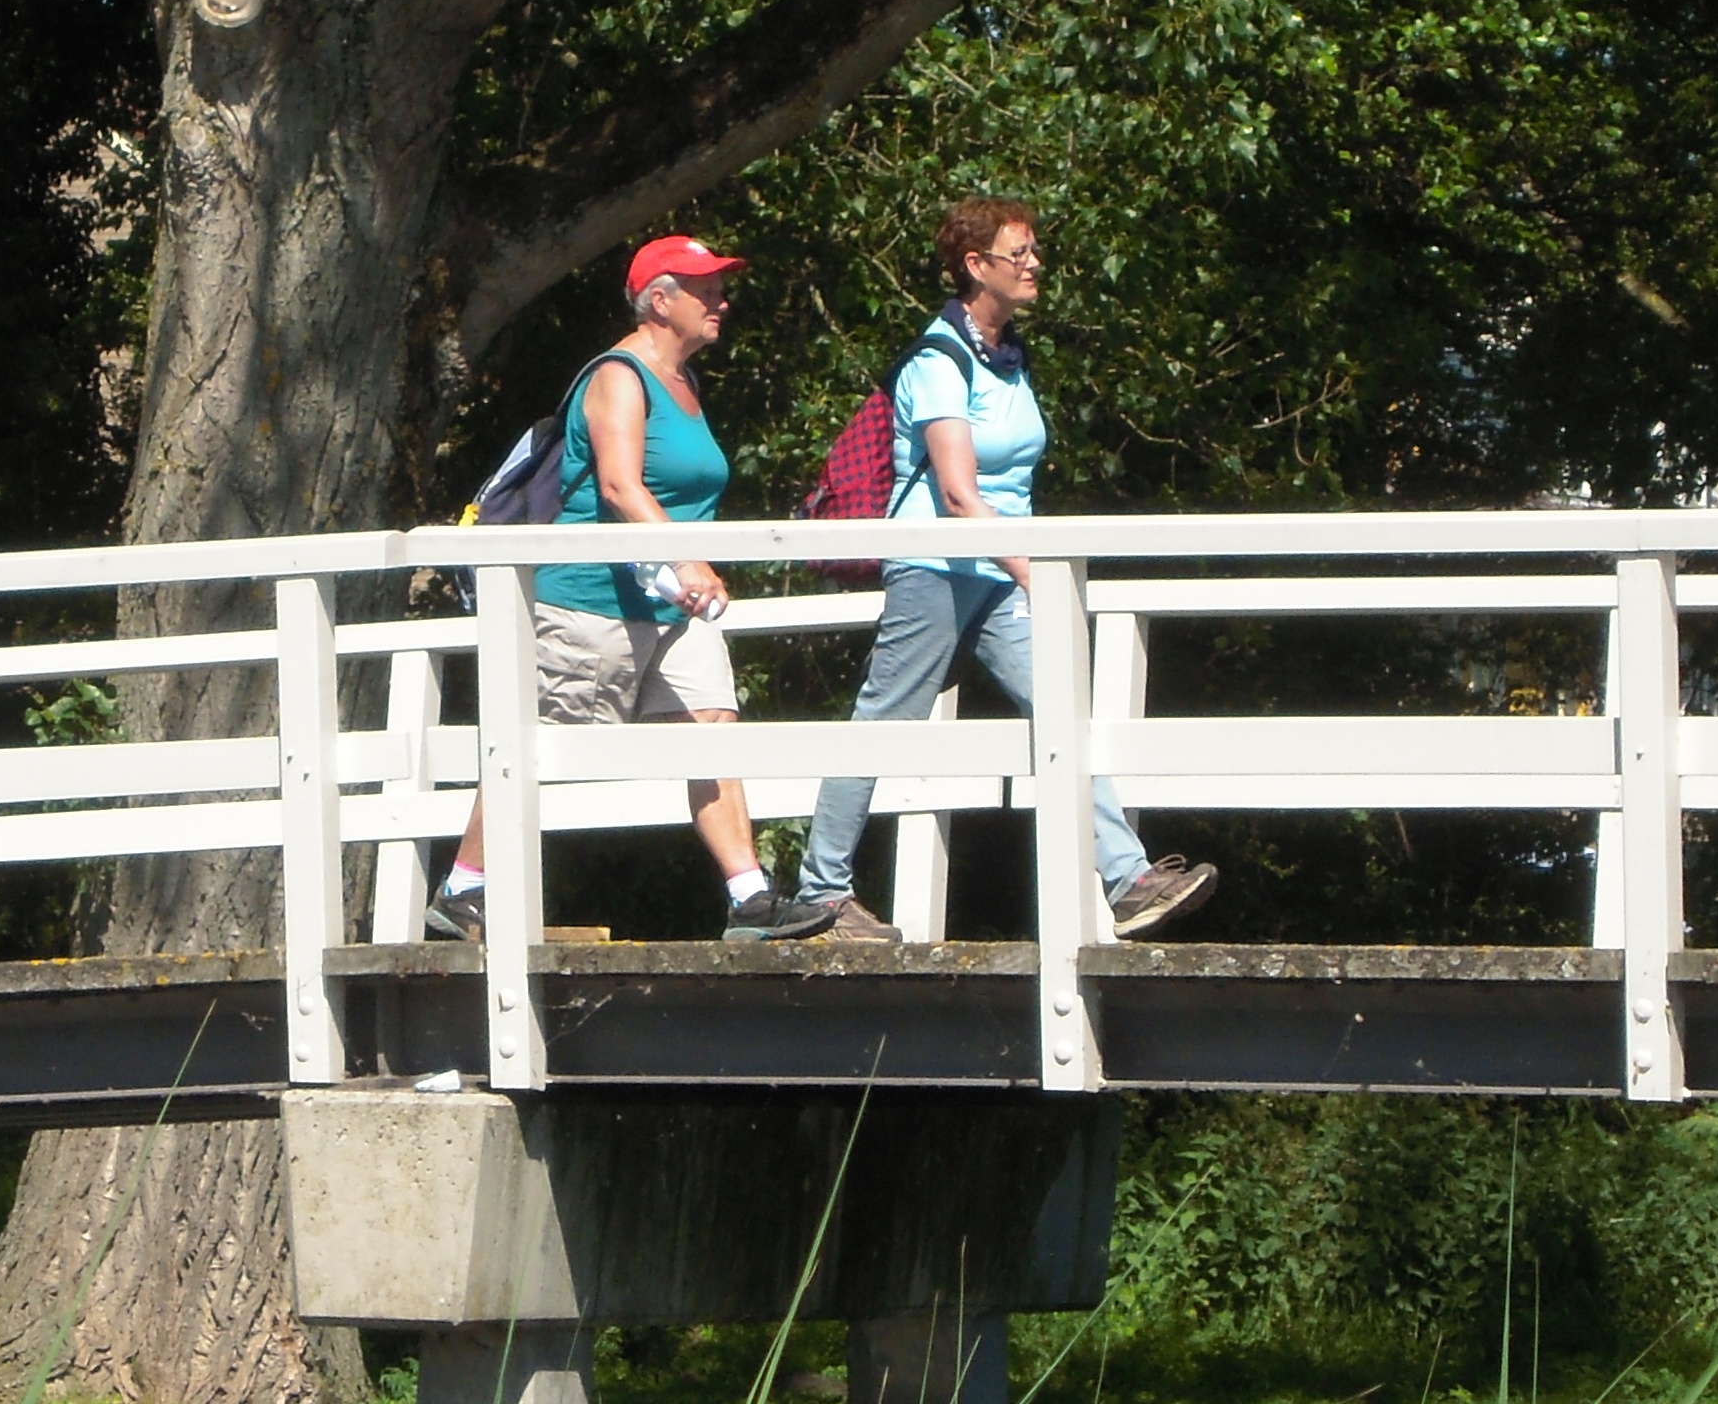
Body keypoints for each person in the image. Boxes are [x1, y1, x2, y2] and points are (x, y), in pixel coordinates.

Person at [797, 197, 1217, 940]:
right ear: (974, 266)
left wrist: (1019, 569)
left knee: (1059, 709)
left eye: (1032, 252)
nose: (1033, 265)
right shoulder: (938, 359)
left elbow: (1007, 483)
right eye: (1017, 253)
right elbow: (959, 494)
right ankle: (821, 892)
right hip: (935, 566)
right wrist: (1035, 572)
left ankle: (1126, 877)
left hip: (996, 573)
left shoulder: (1008, 359)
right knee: (882, 721)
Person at [429, 234, 835, 943]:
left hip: (671, 607)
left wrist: (681, 571)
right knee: (536, 749)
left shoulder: (684, 384)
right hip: (589, 601)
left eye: (718, 286)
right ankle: (463, 891)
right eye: (703, 288)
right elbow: (618, 485)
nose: (720, 300)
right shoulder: (619, 376)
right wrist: (685, 559)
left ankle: (748, 898)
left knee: (714, 728)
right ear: (658, 299)